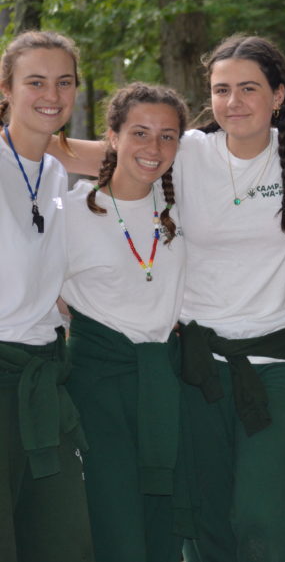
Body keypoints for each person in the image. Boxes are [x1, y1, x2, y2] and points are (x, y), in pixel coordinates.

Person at [54, 35, 285, 562]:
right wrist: (30, 138)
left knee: (259, 516)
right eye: (222, 89)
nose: (234, 102)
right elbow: (124, 149)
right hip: (196, 363)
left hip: (277, 359)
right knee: (204, 519)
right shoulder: (188, 151)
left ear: (277, 95)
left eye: (249, 88)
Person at [61, 82, 190, 562]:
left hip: (167, 381)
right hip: (97, 385)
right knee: (112, 521)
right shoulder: (71, 211)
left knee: (165, 523)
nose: (153, 148)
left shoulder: (181, 207)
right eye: (139, 132)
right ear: (111, 137)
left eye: (167, 136)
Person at [0, 30, 93, 561]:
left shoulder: (57, 174)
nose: (51, 94)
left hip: (43, 377)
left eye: (64, 82)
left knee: (62, 538)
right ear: (7, 89)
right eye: (35, 81)